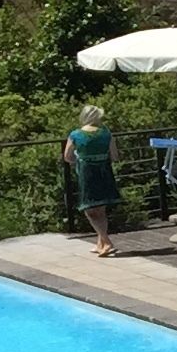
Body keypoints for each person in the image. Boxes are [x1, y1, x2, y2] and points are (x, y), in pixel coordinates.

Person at [65, 102, 121, 258]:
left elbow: (67, 157)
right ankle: (100, 244)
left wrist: (80, 158)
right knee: (100, 208)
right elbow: (115, 156)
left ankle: (106, 240)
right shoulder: (106, 133)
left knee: (89, 209)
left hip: (87, 173)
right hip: (104, 171)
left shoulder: (76, 134)